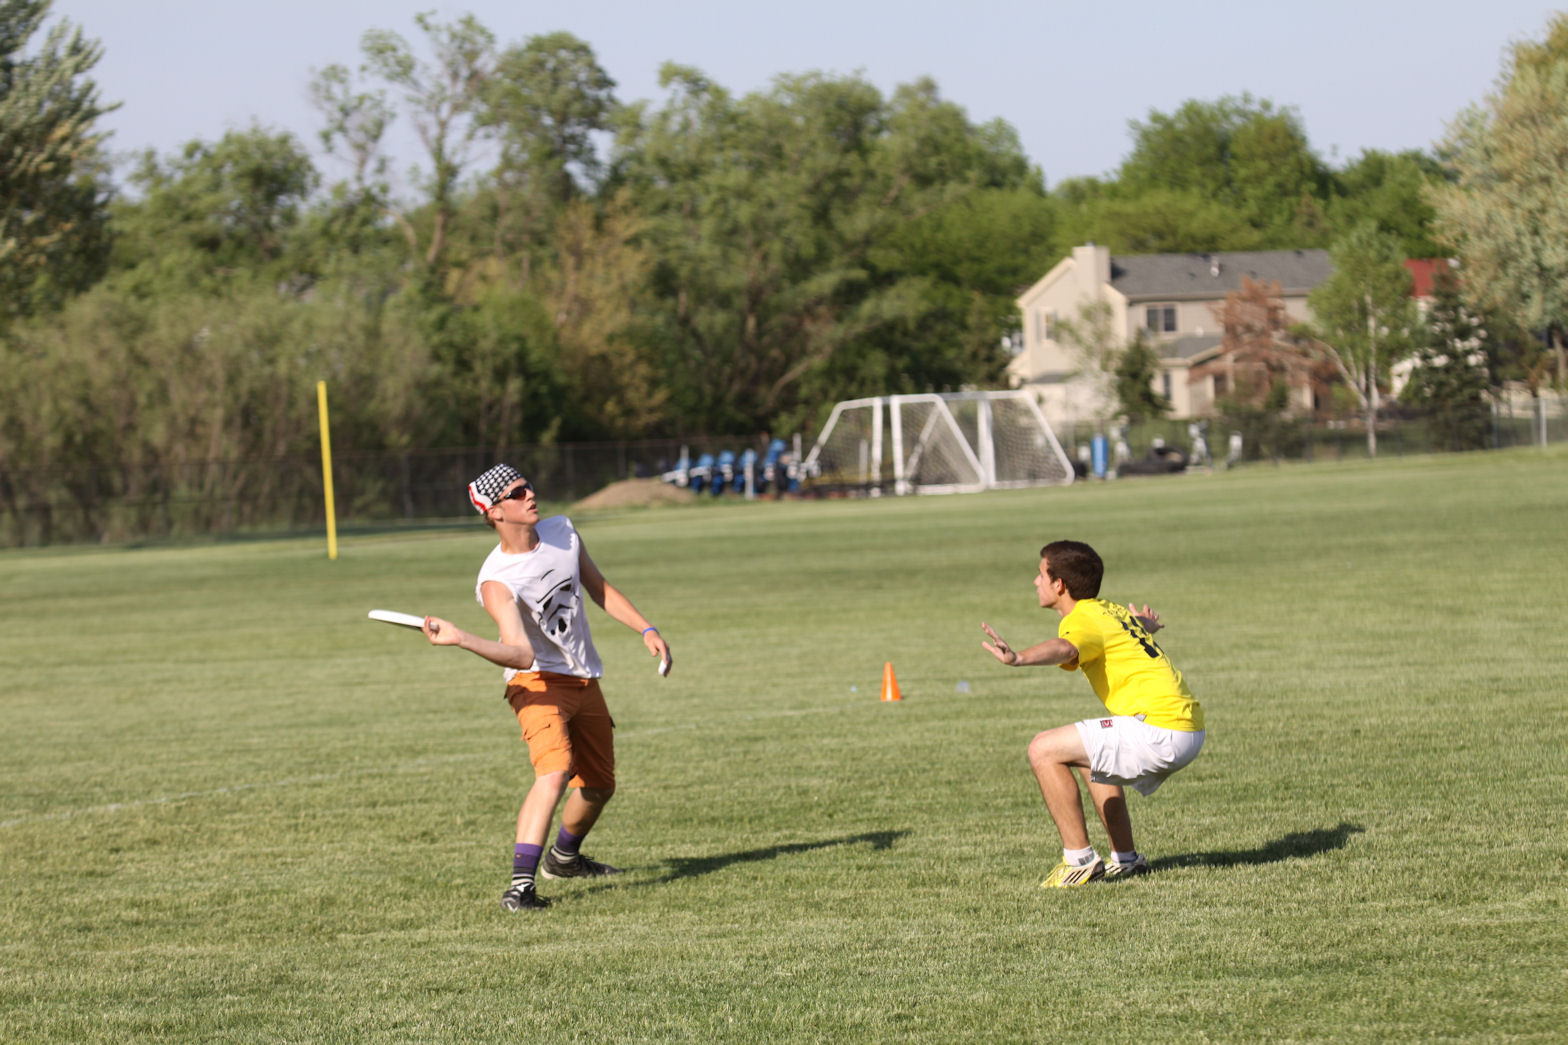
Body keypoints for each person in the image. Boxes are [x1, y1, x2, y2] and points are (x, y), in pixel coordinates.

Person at [421, 463, 672, 912]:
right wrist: (461, 638)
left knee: (599, 785)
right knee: (554, 772)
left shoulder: (563, 531)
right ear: (495, 512)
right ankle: (520, 888)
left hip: (583, 676)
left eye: (528, 486)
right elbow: (520, 654)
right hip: (535, 682)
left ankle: (565, 859)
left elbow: (599, 588)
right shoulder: (496, 581)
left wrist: (646, 628)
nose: (530, 494)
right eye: (516, 493)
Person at [980, 539, 1204, 888]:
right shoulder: (1107, 609)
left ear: (1059, 585)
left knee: (1042, 749)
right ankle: (1126, 860)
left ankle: (1079, 860)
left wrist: (1019, 657)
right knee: (1088, 754)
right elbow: (1133, 624)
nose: (1035, 581)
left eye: (1040, 574)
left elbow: (1066, 647)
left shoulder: (1083, 619)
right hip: (1186, 725)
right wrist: (1148, 624)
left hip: (1160, 728)